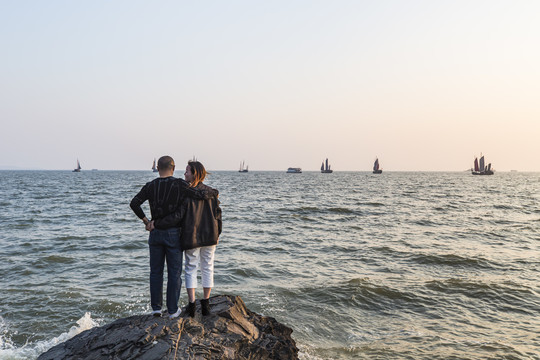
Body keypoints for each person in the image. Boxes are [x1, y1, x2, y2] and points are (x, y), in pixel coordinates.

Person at [130, 156, 209, 319]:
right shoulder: (180, 184)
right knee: (174, 273)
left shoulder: (151, 185)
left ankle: (156, 309)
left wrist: (147, 221)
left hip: (155, 233)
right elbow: (199, 193)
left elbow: (134, 203)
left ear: (158, 168)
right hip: (173, 233)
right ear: (173, 168)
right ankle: (173, 310)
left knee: (155, 272)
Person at [153, 160, 221, 317]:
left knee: (191, 268)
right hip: (211, 235)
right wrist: (218, 234)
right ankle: (206, 303)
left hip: (192, 236)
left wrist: (156, 223)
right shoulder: (211, 193)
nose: (184, 174)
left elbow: (177, 216)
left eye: (187, 171)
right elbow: (218, 216)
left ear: (194, 173)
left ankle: (192, 305)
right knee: (208, 267)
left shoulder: (186, 194)